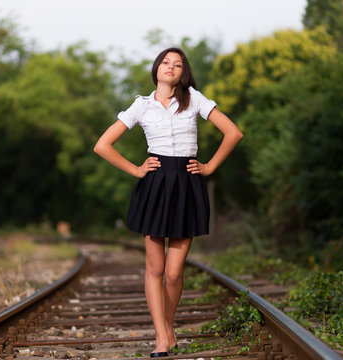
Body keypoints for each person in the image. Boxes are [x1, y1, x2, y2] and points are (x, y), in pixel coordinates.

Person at [94, 47, 243, 357]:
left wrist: (209, 166)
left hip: (187, 184)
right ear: (157, 68)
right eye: (166, 62)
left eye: (177, 64)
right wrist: (136, 169)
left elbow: (233, 132)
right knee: (155, 267)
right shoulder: (141, 106)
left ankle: (168, 327)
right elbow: (103, 145)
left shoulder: (194, 99)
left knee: (174, 273)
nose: (171, 67)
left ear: (183, 72)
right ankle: (162, 337)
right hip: (156, 185)